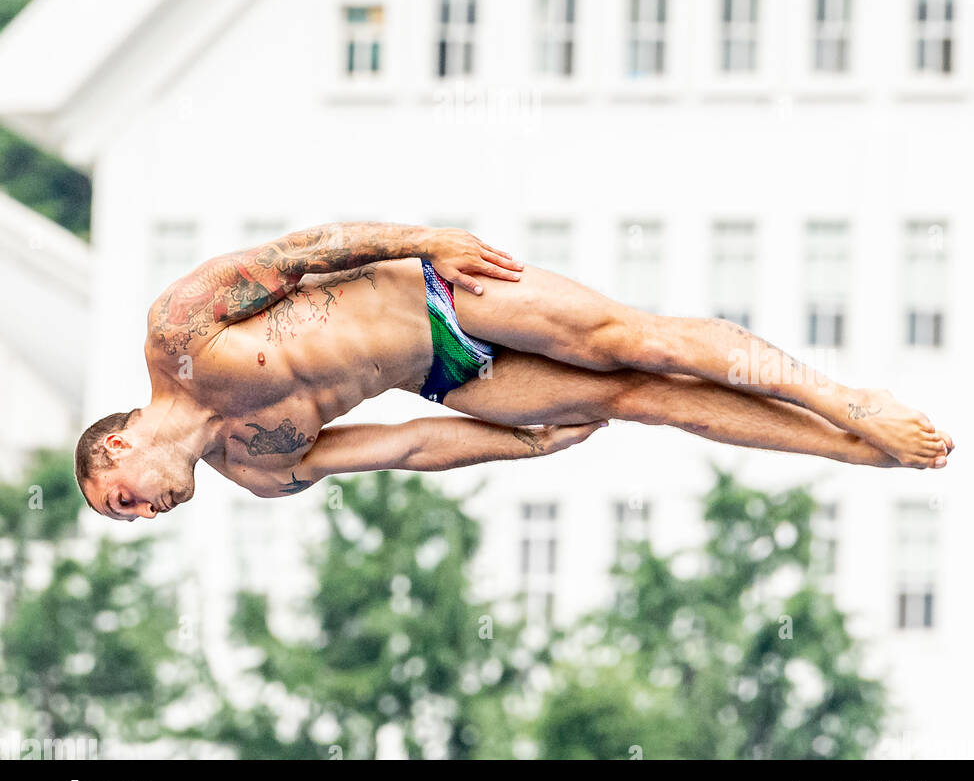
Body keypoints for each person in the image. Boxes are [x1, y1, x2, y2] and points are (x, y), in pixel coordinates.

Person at [75, 222, 953, 521]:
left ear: (113, 450)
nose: (147, 512)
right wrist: (522, 448)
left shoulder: (176, 336)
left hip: (434, 292)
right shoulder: (259, 470)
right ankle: (851, 451)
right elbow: (409, 445)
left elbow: (301, 252)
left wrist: (428, 240)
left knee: (632, 342)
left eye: (125, 501)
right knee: (642, 403)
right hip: (444, 377)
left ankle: (847, 400)